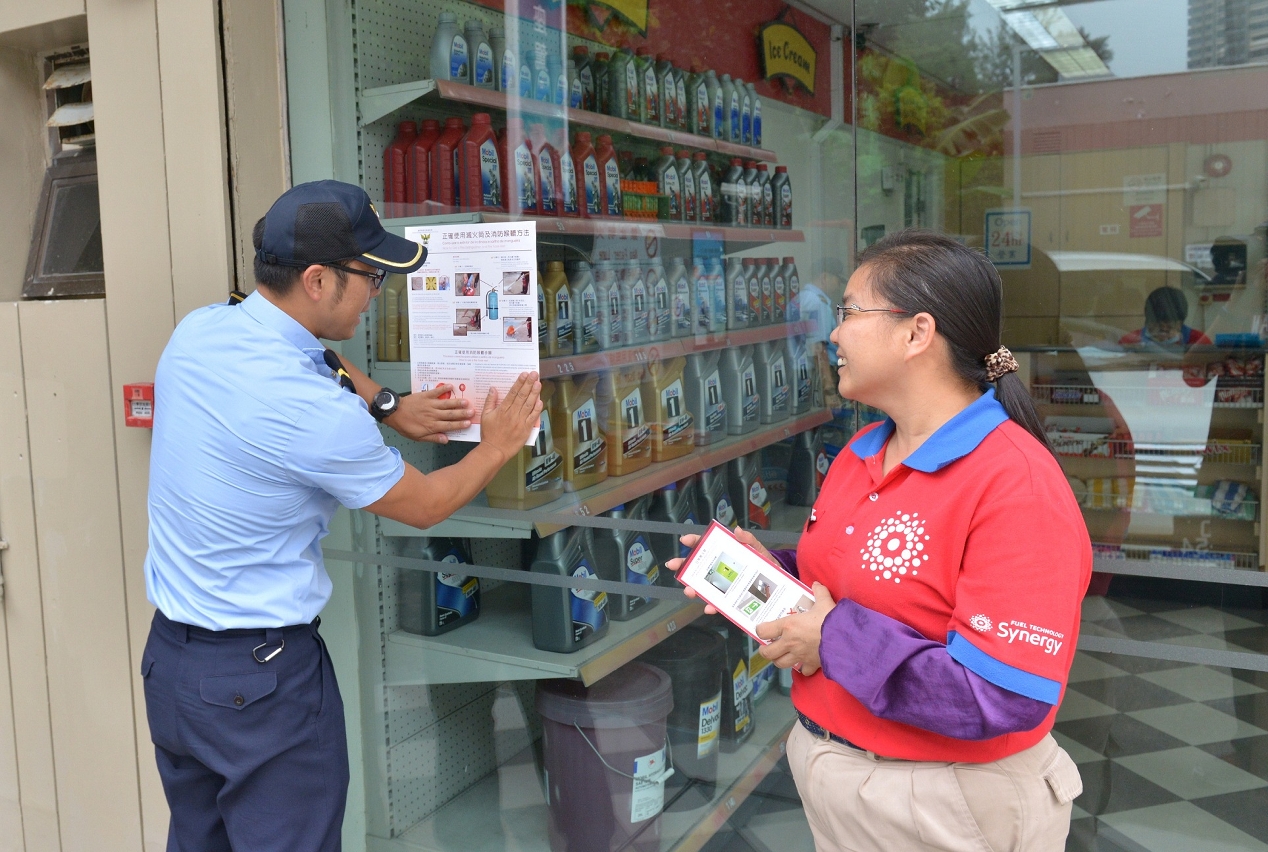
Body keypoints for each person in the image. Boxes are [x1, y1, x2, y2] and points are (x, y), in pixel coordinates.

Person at [141, 180, 542, 851]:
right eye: (371, 275)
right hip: (259, 685)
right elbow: (426, 505)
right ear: (319, 280)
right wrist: (499, 444)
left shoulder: (201, 330)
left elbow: (311, 354)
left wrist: (386, 403)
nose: (380, 290)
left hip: (174, 671)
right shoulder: (312, 414)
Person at [672, 230, 1089, 852]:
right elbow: (859, 584)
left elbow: (1003, 694)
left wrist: (832, 637)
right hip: (841, 778)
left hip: (950, 806)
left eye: (848, 312)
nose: (833, 334)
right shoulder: (862, 452)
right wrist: (773, 574)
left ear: (916, 333)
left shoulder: (1014, 483)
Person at [1118, 285, 1212, 349]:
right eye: (1157, 325)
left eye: (1168, 327)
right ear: (1148, 320)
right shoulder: (1129, 342)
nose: (1162, 331)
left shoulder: (1198, 342)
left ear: (1180, 324)